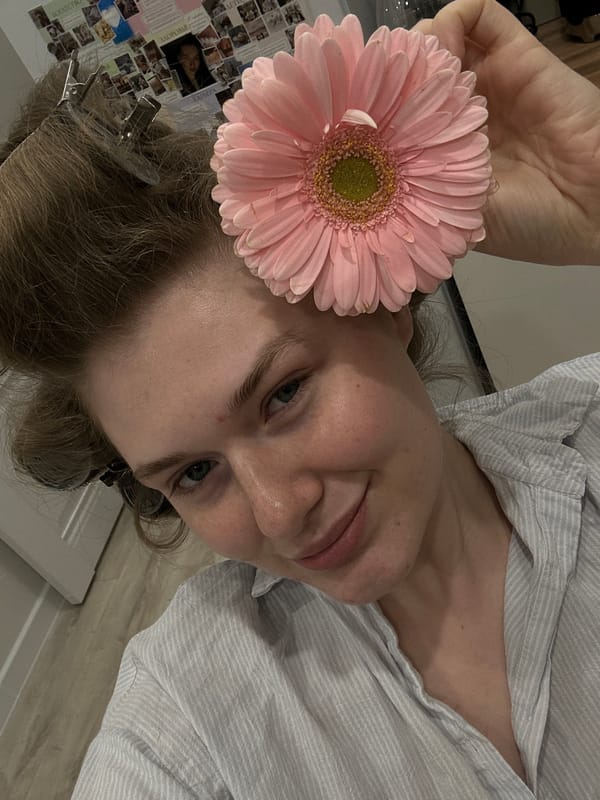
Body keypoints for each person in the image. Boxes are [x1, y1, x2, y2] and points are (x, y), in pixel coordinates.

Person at [1, 1, 599, 797]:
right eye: (192, 474)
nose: (280, 515)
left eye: (282, 395)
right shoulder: (183, 724)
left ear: (381, 303)